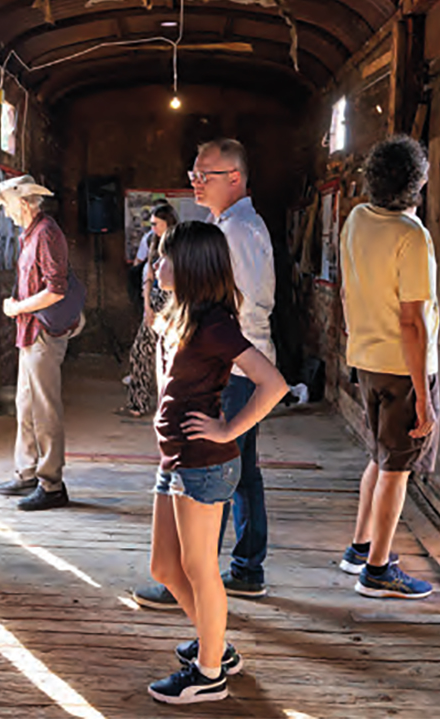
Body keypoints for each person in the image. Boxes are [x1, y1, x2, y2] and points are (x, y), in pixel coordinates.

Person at [146, 221, 287, 704]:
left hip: (203, 463)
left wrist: (228, 430)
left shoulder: (215, 325)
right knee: (165, 567)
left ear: (190, 266)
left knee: (199, 567)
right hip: (175, 459)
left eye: (165, 257)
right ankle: (217, 647)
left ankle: (208, 674)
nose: (157, 264)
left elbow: (273, 384)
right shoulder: (184, 315)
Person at [134, 139, 277, 608]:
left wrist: (205, 340)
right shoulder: (228, 226)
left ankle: (201, 575)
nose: (195, 182)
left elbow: (243, 306)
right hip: (228, 357)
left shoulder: (237, 232)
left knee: (216, 463)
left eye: (205, 174)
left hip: (232, 363)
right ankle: (237, 569)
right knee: (240, 469)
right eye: (193, 174)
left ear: (234, 177)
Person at [338, 135, 439, 599]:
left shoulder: (357, 219)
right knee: (396, 469)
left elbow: (347, 292)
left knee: (380, 458)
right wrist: (424, 397)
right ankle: (377, 571)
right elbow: (412, 322)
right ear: (417, 183)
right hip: (402, 368)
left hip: (366, 360)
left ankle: (360, 548)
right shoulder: (411, 237)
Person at [0, 174, 83, 511]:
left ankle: (51, 484)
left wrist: (17, 308)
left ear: (24, 203)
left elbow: (56, 290)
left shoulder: (46, 233)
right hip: (30, 331)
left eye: (8, 206)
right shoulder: (30, 234)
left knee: (44, 410)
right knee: (26, 404)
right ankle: (27, 473)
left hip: (42, 332)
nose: (6, 213)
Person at [118, 203, 179, 417]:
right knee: (140, 351)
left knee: (170, 357)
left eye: (156, 224)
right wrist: (147, 306)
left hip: (172, 301)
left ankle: (169, 406)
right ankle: (138, 403)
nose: (152, 228)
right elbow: (148, 277)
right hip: (154, 299)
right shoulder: (152, 241)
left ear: (167, 223)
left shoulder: (178, 244)